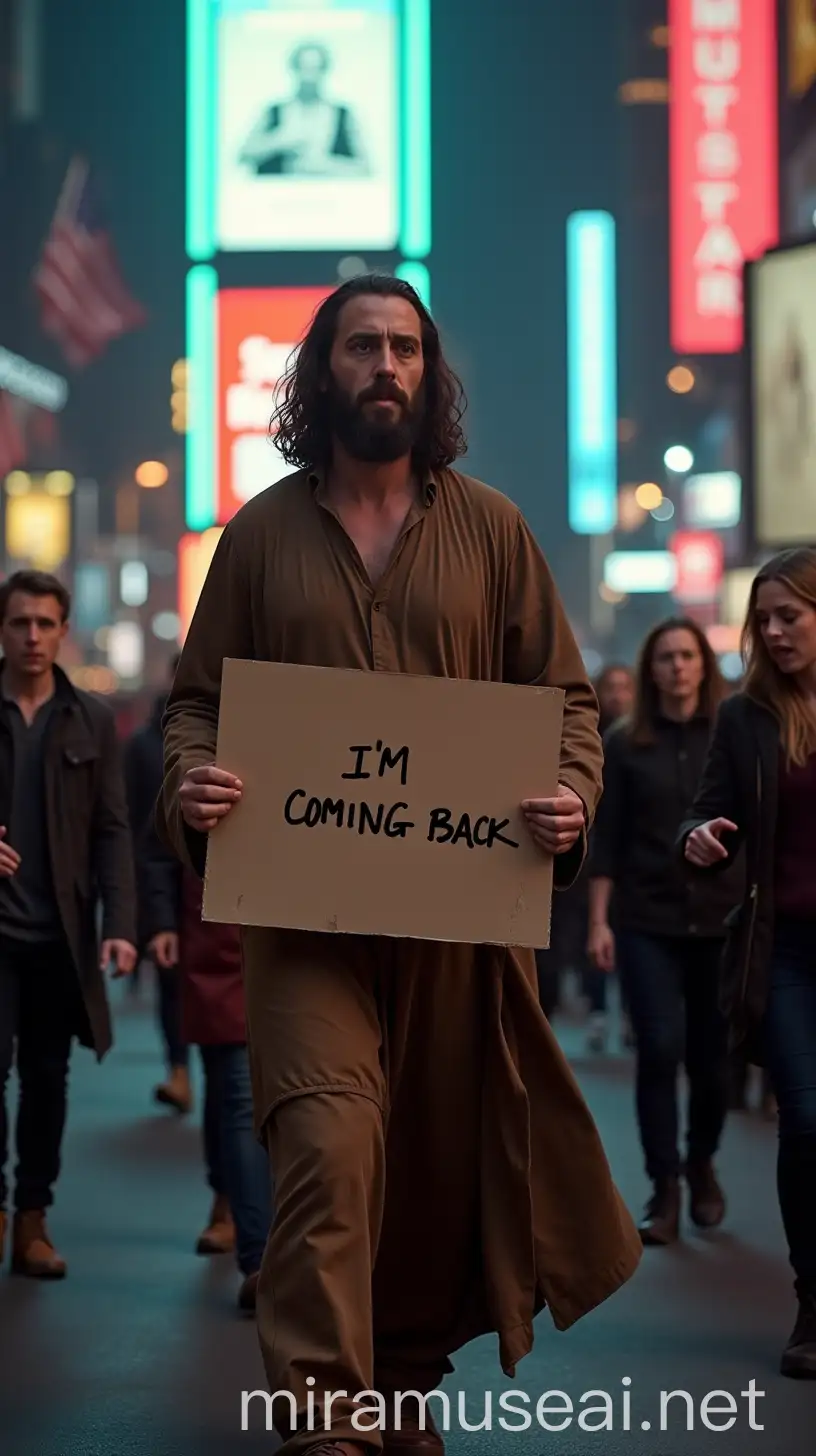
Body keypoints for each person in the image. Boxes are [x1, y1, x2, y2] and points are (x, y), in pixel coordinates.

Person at [157, 274, 641, 1455]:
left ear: (430, 377)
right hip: (303, 925)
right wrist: (193, 779)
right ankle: (326, 1411)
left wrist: (571, 794)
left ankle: (403, 1381)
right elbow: (193, 709)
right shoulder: (260, 536)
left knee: (428, 1168)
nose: (384, 366)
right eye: (361, 346)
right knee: (327, 1145)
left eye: (405, 349)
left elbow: (565, 703)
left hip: (456, 924)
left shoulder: (494, 531)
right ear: (322, 372)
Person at [681, 548, 816, 1378]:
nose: (772, 631)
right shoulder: (745, 717)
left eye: (788, 615)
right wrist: (698, 841)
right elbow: (703, 820)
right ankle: (813, 1299)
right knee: (805, 1121)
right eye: (762, 619)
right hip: (788, 951)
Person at [587, 617, 742, 1247]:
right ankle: (665, 1186)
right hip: (646, 917)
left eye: (687, 656)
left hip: (720, 918)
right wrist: (599, 920)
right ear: (650, 670)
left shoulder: (732, 734)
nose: (677, 667)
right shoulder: (627, 742)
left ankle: (700, 1158)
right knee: (658, 1047)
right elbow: (609, 842)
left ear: (703, 665)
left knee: (712, 1061)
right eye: (665, 657)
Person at [0, 570, 136, 1278]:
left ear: (62, 631)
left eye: (45, 624)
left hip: (61, 933)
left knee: (48, 1079)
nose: (32, 636)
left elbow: (113, 828)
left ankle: (32, 1218)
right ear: (4, 627)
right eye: (20, 622)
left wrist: (121, 923)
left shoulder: (90, 719)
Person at [139, 813, 274, 1313]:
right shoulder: (195, 745)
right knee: (236, 1091)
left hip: (295, 935)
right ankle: (257, 1255)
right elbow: (157, 840)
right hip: (221, 934)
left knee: (247, 1097)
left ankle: (248, 1225)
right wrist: (157, 922)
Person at [535, 663, 634, 1049]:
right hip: (575, 854)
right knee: (572, 938)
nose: (618, 695)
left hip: (620, 862)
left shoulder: (630, 741)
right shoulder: (584, 737)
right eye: (612, 687)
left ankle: (621, 1010)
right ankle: (591, 1008)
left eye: (626, 686)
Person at [124, 651, 192, 1114]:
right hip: (163, 871)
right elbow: (130, 819)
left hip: (205, 878)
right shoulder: (145, 744)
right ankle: (179, 1070)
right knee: (171, 980)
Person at [239, 41, 368, 179]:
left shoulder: (343, 114)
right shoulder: (273, 111)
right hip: (277, 196)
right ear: (294, 69)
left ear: (324, 70)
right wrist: (278, 140)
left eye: (315, 68)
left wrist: (325, 166)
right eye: (304, 67)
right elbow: (243, 156)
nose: (309, 75)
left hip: (330, 196)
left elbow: (366, 169)